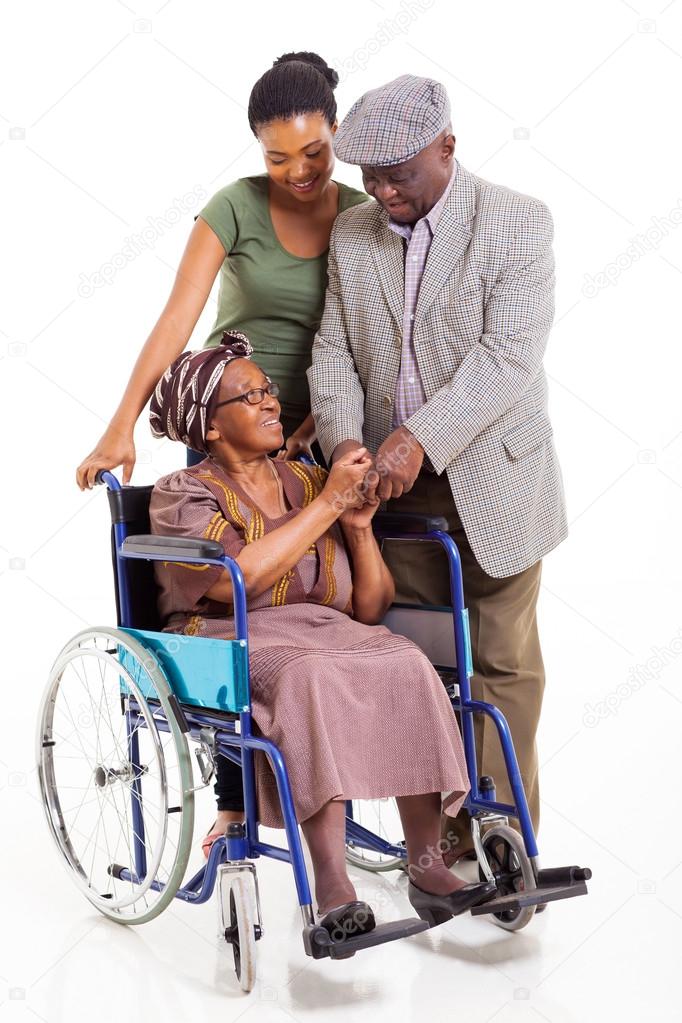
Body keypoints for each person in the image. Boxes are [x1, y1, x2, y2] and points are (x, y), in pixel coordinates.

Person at [75, 51, 369, 852]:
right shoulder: (234, 208)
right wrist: (121, 422)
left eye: (313, 152)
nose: (298, 172)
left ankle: (350, 782)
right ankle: (239, 797)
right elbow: (177, 320)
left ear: (336, 132)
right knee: (239, 596)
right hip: (232, 420)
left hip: (323, 434)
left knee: (336, 601)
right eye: (277, 158)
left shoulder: (361, 209)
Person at [146, 334, 497, 939]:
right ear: (210, 429)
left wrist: (357, 528)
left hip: (328, 629)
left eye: (268, 390)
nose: (269, 402)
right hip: (233, 637)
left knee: (407, 661)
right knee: (308, 676)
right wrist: (331, 502)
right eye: (247, 396)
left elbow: (370, 607)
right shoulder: (183, 493)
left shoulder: (308, 483)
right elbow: (238, 580)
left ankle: (426, 865)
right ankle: (332, 883)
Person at [308, 74, 567, 868]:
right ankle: (442, 841)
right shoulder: (354, 235)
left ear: (447, 148)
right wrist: (349, 443)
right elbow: (333, 350)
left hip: (496, 482)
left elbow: (507, 359)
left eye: (401, 174)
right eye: (369, 176)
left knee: (499, 665)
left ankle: (501, 832)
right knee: (419, 666)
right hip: (389, 494)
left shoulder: (517, 223)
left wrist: (419, 436)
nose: (383, 190)